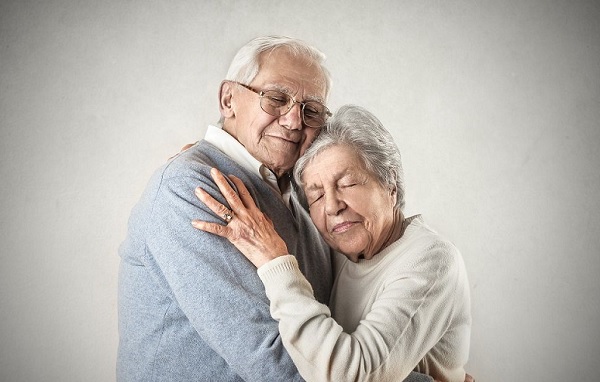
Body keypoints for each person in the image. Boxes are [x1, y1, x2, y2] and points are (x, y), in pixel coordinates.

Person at [118, 35, 434, 382]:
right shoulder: (192, 188)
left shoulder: (303, 194)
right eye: (276, 99)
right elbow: (276, 364)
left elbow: (339, 323)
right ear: (229, 99)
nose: (294, 121)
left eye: (310, 110)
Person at [192, 105, 472, 382]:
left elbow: (353, 376)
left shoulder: (430, 259)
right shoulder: (340, 249)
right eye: (316, 196)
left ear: (391, 186)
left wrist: (274, 262)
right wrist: (203, 160)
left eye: (348, 183)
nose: (332, 207)